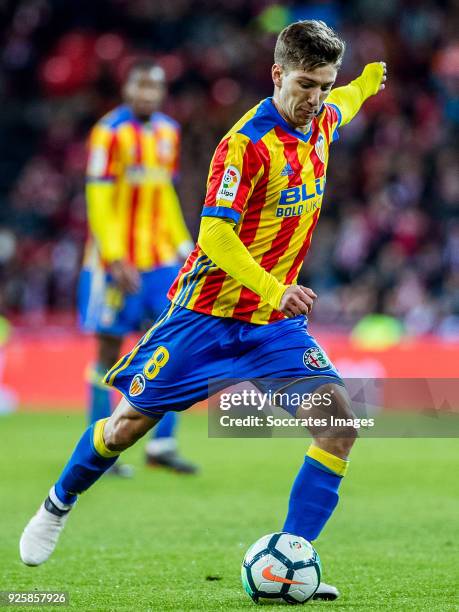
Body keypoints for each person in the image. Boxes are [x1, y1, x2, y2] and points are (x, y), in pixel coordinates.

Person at [20, 20, 386, 599]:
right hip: (206, 318)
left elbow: (347, 100)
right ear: (276, 74)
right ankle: (57, 502)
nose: (315, 98)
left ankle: (293, 559)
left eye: (323, 84)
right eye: (304, 83)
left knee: (339, 424)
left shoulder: (325, 120)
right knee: (123, 428)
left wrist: (366, 81)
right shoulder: (242, 145)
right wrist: (271, 287)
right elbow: (214, 237)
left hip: (273, 327)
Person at [78, 60, 198, 475]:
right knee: (108, 351)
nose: (148, 94)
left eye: (155, 87)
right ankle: (101, 445)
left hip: (159, 258)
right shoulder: (109, 133)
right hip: (114, 263)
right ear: (127, 89)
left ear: (162, 92)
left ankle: (161, 446)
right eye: (141, 86)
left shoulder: (168, 132)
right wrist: (113, 255)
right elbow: (98, 197)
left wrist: (185, 247)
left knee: (174, 343)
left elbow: (164, 194)